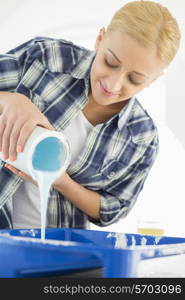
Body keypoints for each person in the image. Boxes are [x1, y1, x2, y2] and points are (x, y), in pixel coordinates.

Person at [0, 1, 181, 230]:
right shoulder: (49, 58)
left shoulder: (141, 137)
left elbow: (112, 209)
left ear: (153, 80)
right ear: (99, 39)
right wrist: (10, 101)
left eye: (134, 79)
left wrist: (62, 182)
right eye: (110, 62)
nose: (113, 84)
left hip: (63, 252)